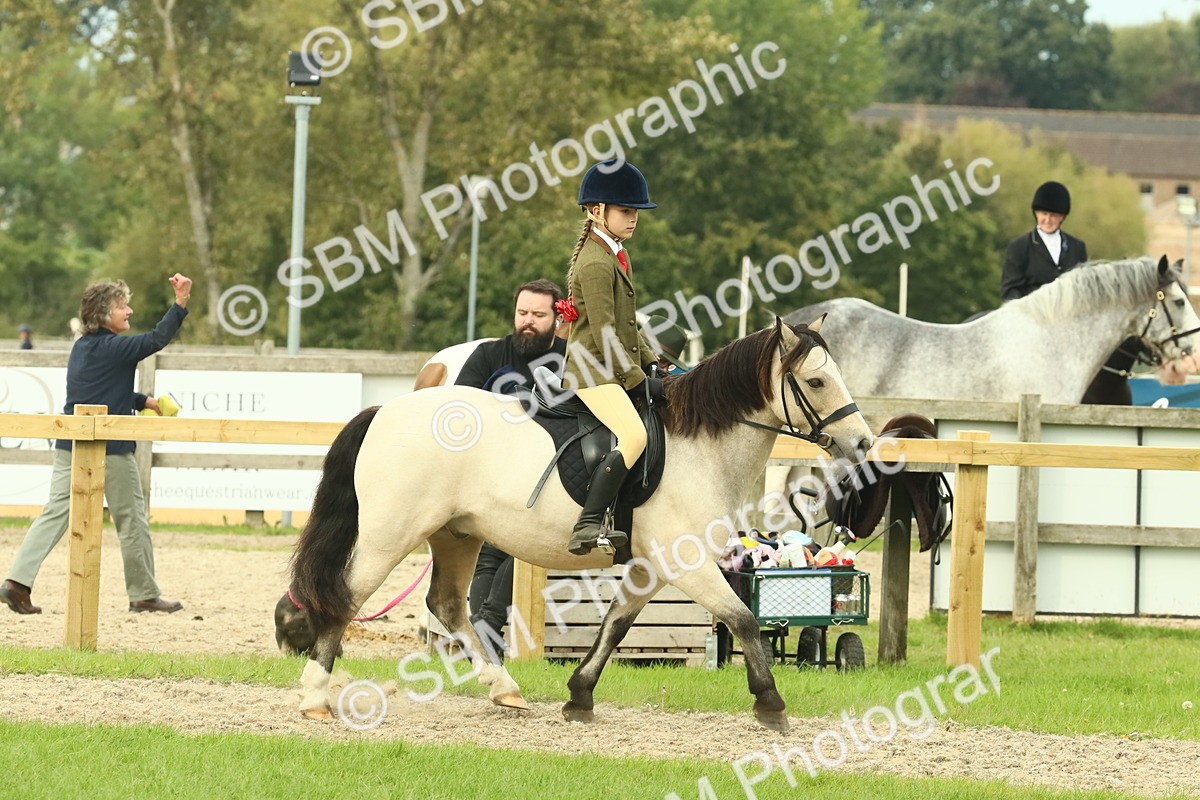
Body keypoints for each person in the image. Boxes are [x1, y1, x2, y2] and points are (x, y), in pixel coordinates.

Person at [0, 274, 192, 615]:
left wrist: (142, 400)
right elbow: (157, 338)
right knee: (131, 518)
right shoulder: (118, 348)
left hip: (69, 442)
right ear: (105, 313)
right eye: (123, 306)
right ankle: (143, 593)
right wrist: (180, 301)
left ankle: (17, 582)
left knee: (55, 513)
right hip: (110, 447)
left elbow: (99, 391)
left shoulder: (82, 347)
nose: (129, 310)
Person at [457, 279, 568, 656]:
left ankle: (487, 624)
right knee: (487, 555)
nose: (528, 322)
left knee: (520, 544)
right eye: (523, 313)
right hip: (489, 477)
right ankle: (485, 632)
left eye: (538, 315)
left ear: (557, 317)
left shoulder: (572, 358)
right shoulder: (489, 355)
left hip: (548, 478)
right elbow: (458, 409)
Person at [559, 160, 661, 556]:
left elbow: (627, 324)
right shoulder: (596, 262)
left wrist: (653, 362)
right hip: (591, 371)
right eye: (625, 211)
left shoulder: (617, 254)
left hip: (611, 367)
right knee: (634, 435)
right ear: (596, 210)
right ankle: (586, 524)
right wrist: (635, 378)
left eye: (635, 211)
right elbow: (604, 333)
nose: (633, 218)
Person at [1000, 181, 1088, 302]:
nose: (1047, 220)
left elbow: (1083, 288)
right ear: (1036, 213)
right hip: (1032, 315)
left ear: (1062, 217)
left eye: (1053, 215)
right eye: (1044, 214)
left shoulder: (1077, 247)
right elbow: (1010, 291)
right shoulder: (1019, 247)